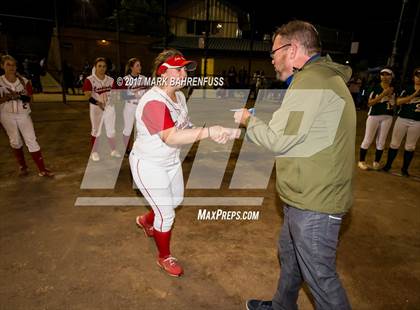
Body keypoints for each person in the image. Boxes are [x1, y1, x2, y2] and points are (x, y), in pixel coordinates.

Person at [233, 20, 355, 310]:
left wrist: (248, 120)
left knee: (321, 279)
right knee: (291, 259)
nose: (272, 59)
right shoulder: (317, 78)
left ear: (294, 49)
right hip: (304, 196)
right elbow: (298, 129)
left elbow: (278, 139)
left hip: (315, 203)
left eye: (274, 51)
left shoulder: (312, 82)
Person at [129, 49, 239, 277]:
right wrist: (209, 132)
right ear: (162, 73)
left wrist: (217, 131)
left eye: (184, 69)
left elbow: (184, 127)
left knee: (175, 200)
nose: (183, 74)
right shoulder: (153, 102)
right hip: (148, 164)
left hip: (170, 161)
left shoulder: (178, 97)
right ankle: (164, 257)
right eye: (177, 69)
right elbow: (171, 136)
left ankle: (145, 221)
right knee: (167, 214)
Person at [0, 55, 53, 177]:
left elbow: (30, 98)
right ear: (2, 66)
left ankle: (42, 169)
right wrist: (7, 97)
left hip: (23, 114)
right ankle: (23, 166)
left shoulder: (24, 81)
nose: (11, 67)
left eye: (13, 65)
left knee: (31, 139)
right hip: (6, 115)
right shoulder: (0, 81)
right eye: (8, 64)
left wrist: (18, 96)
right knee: (15, 141)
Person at [382, 67, 420, 176]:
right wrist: (414, 95)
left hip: (417, 122)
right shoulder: (408, 88)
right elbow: (397, 102)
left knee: (410, 146)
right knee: (394, 144)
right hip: (402, 119)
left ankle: (405, 169)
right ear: (414, 77)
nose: (418, 78)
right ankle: (388, 166)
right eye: (417, 76)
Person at [83, 57, 121, 162]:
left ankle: (113, 150)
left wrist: (113, 101)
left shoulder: (111, 80)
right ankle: (94, 152)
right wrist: (98, 103)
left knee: (111, 130)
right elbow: (88, 96)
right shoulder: (89, 79)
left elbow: (115, 93)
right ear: (95, 67)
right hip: (96, 108)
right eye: (99, 66)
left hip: (109, 108)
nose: (102, 68)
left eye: (104, 66)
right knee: (96, 130)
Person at [358, 68, 396, 170]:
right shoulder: (375, 87)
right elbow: (370, 103)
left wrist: (390, 97)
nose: (384, 76)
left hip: (388, 116)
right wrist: (383, 94)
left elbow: (393, 105)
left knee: (382, 141)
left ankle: (376, 162)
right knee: (368, 139)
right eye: (382, 74)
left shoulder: (394, 89)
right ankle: (361, 161)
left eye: (387, 74)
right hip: (374, 115)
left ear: (391, 76)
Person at [118, 57, 148, 156]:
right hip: (129, 106)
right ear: (131, 67)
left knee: (139, 129)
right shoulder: (125, 79)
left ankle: (136, 149)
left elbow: (147, 93)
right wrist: (133, 95)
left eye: (140, 65)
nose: (140, 67)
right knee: (127, 129)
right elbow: (122, 96)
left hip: (140, 107)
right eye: (137, 65)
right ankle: (126, 149)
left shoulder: (143, 78)